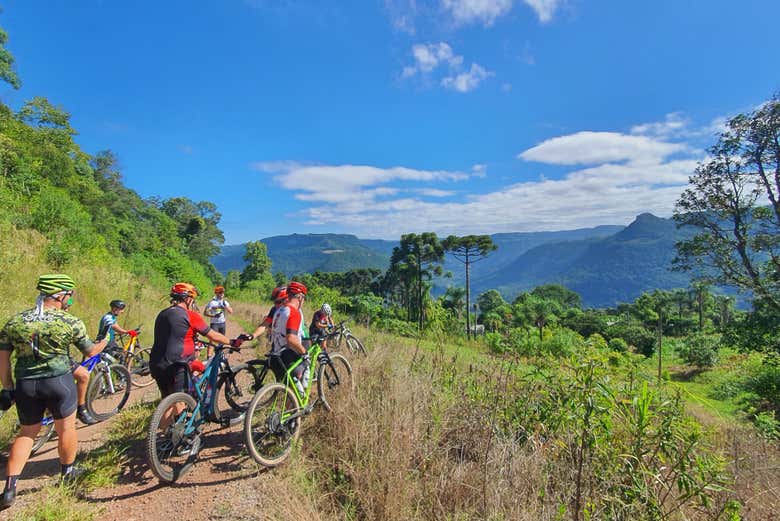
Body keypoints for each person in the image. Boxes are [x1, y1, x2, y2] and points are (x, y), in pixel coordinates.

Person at [0, 274, 108, 511]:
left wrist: (7, 387)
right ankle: (67, 473)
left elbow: (4, 358)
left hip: (26, 384)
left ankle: (9, 488)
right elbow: (91, 352)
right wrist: (105, 340)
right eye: (70, 295)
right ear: (61, 296)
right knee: (66, 428)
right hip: (58, 381)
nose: (71, 299)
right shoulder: (70, 321)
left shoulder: (15, 321)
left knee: (27, 433)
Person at [149, 283, 237, 401]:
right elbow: (212, 335)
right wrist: (231, 342)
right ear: (188, 299)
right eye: (193, 299)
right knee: (179, 404)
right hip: (177, 365)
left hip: (156, 363)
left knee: (167, 400)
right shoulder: (190, 315)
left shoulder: (162, 314)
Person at [73, 299, 135, 425]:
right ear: (115, 308)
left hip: (108, 342)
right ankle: (121, 377)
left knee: (110, 359)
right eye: (121, 309)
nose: (122, 312)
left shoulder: (111, 316)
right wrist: (126, 332)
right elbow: (115, 327)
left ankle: (113, 378)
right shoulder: (108, 318)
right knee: (118, 357)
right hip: (106, 343)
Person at [269, 282, 309, 386]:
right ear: (300, 297)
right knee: (304, 371)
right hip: (288, 355)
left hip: (276, 353)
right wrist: (304, 352)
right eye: (304, 298)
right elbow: (291, 339)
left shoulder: (279, 311)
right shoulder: (294, 312)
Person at [204, 286, 233, 358]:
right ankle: (209, 357)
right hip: (214, 324)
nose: (222, 294)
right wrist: (214, 316)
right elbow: (205, 313)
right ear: (216, 293)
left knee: (222, 340)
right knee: (212, 341)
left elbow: (231, 311)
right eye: (220, 292)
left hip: (222, 323)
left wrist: (225, 306)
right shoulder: (212, 303)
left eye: (223, 292)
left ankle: (219, 356)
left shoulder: (225, 302)